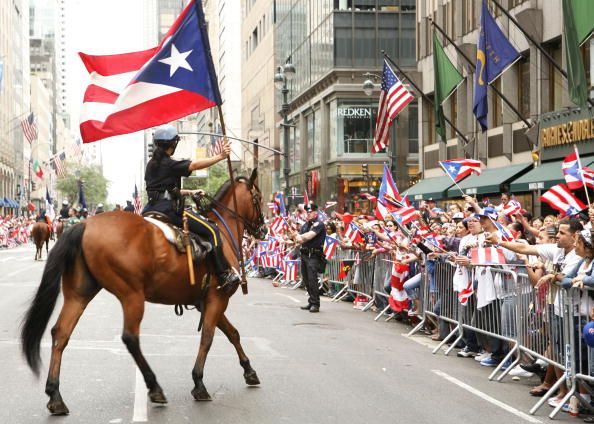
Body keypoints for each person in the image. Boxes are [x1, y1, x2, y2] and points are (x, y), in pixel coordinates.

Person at [142, 124, 240, 290]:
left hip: (150, 208)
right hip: (168, 209)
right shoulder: (169, 164)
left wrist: (190, 191)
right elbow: (194, 165)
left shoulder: (152, 165)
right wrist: (221, 156)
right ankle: (224, 274)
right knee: (213, 230)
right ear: (173, 144)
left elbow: (166, 190)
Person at [289, 203, 327, 313]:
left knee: (312, 279)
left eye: (310, 212)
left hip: (314, 255)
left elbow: (307, 236)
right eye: (307, 212)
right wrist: (294, 236)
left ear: (316, 213)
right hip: (305, 254)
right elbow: (298, 241)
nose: (308, 214)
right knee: (306, 280)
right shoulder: (306, 225)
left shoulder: (319, 224)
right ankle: (311, 301)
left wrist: (297, 236)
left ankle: (315, 303)